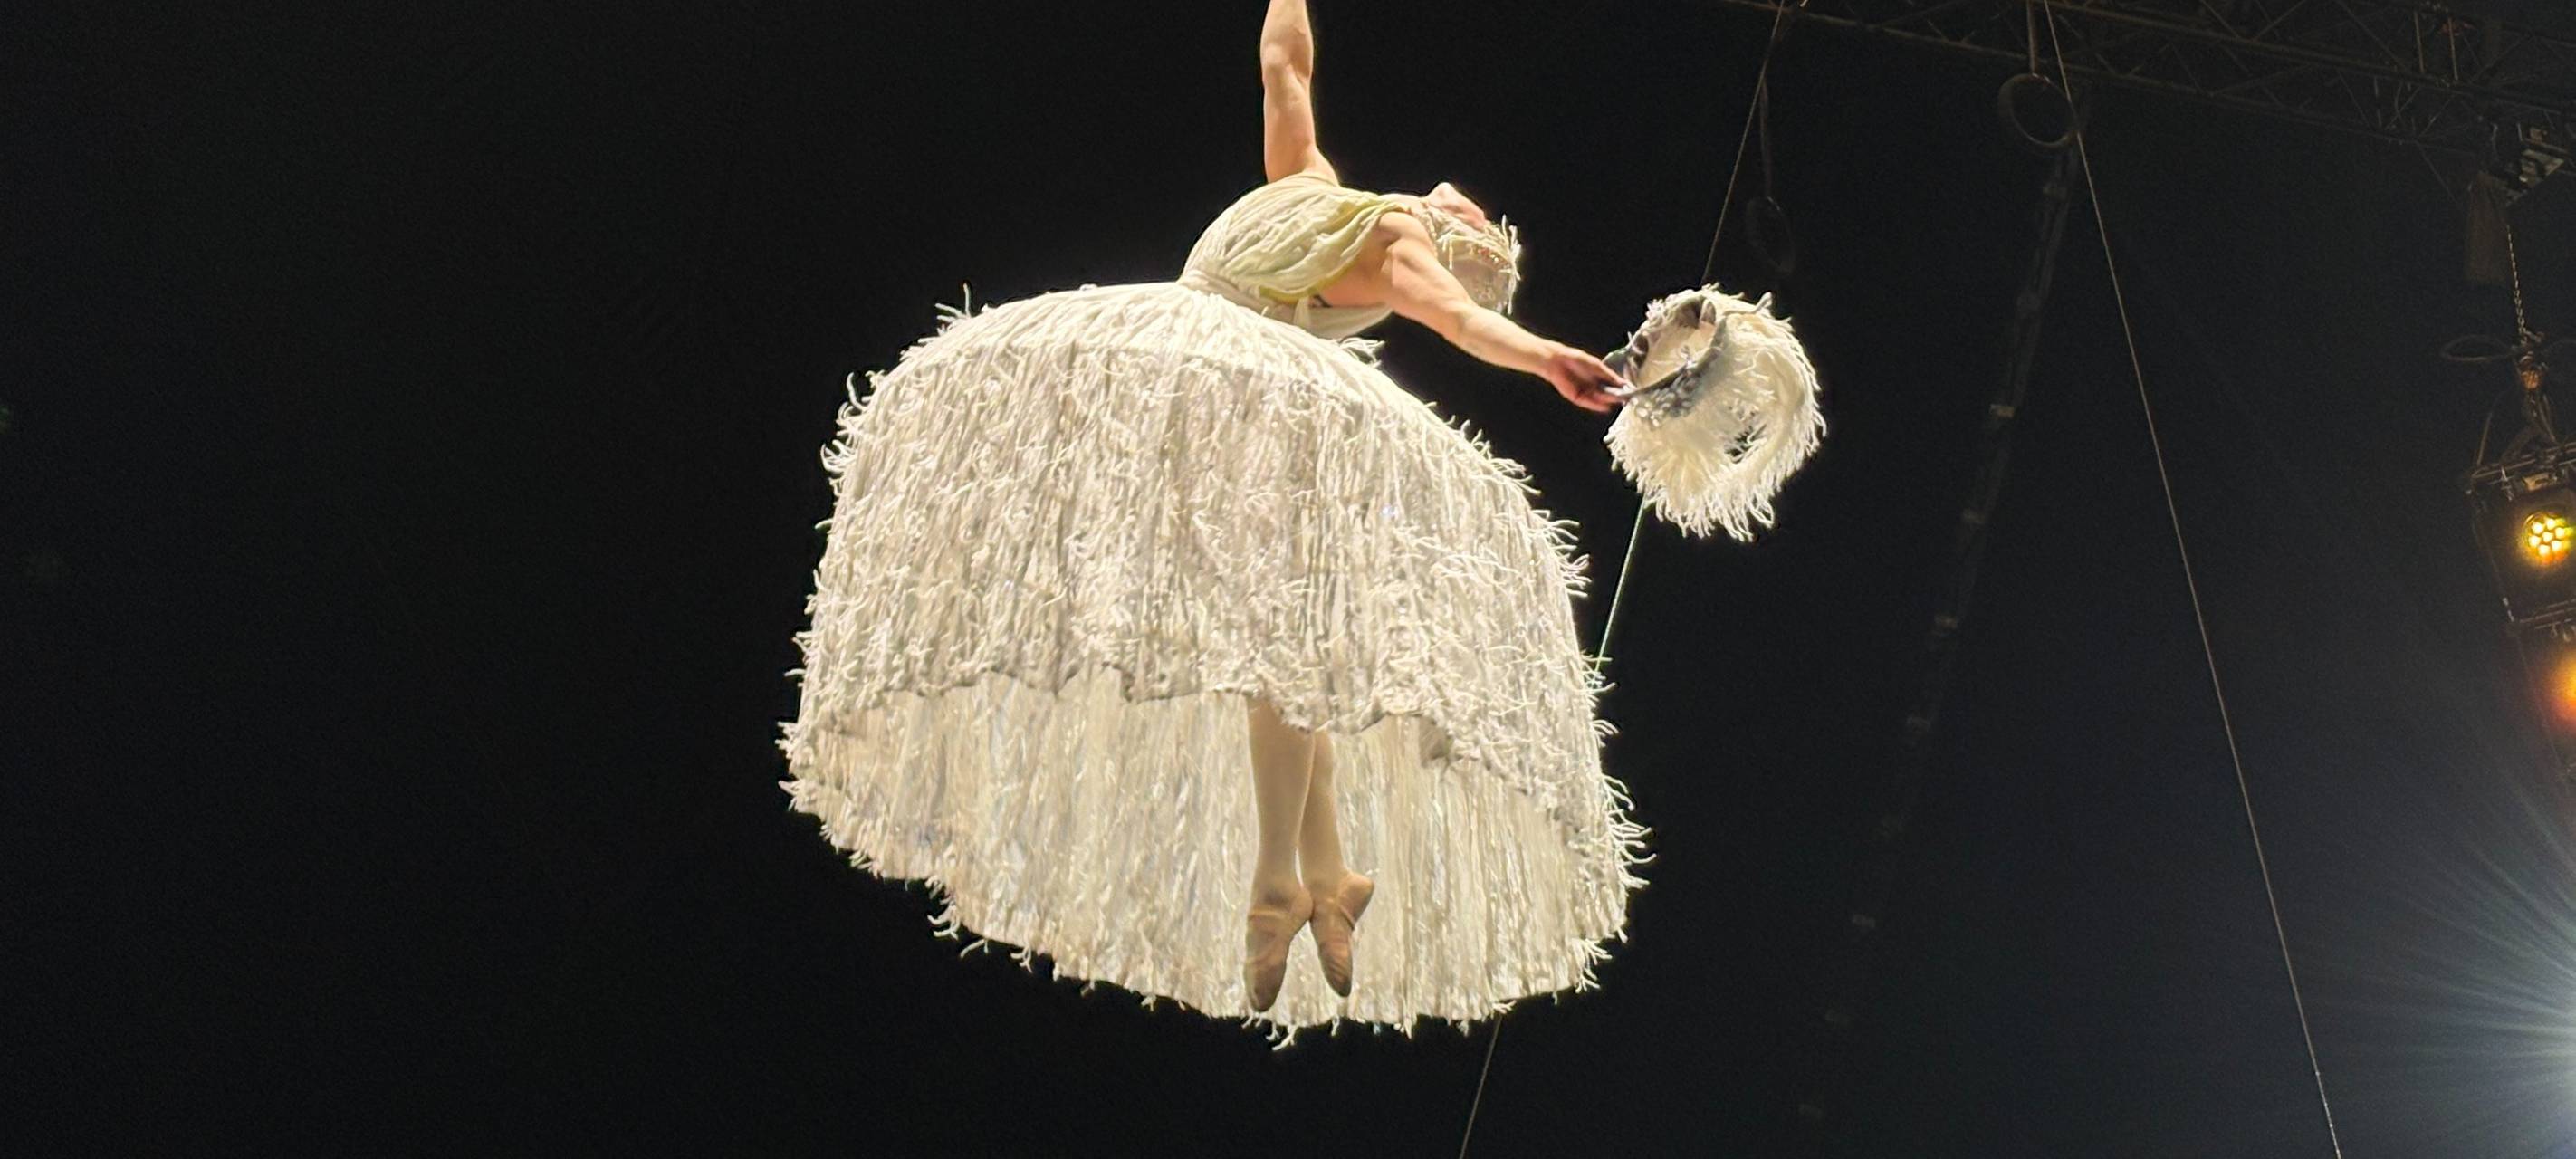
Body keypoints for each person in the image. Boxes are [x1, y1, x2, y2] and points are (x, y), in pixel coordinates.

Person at [781, 0, 1644, 1032]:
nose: (1463, 199)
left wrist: (1542, 355)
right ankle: (1321, 872)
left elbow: (1459, 320)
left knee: (1273, 646)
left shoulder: (1397, 238)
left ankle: (1291, 877)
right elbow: (1286, 67)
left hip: (1246, 395)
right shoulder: (1319, 191)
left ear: (1457, 243)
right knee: (1276, 643)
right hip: (1219, 384)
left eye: (1472, 221)